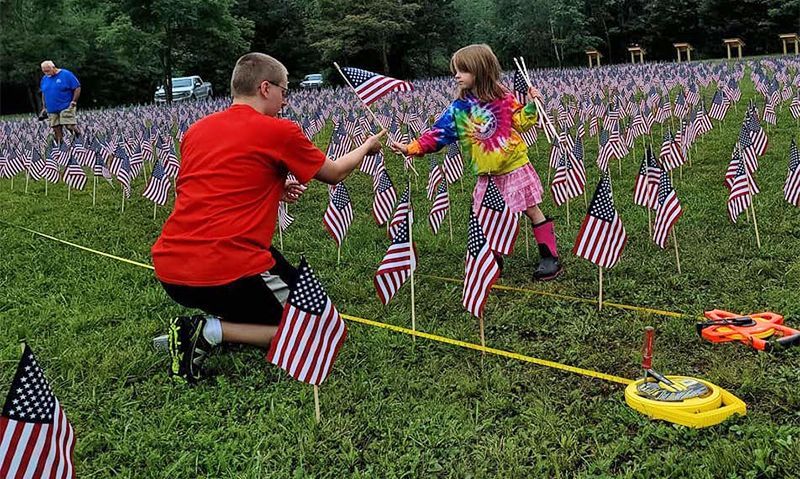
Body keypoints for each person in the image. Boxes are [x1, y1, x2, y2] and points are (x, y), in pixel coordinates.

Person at [151, 52, 385, 384]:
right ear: (265, 88)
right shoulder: (278, 130)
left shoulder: (196, 130)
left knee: (301, 297)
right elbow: (333, 174)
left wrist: (273, 188)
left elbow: (213, 187)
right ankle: (208, 332)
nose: (285, 100)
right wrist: (366, 147)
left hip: (171, 270)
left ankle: (224, 324)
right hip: (227, 267)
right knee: (318, 332)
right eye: (283, 91)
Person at [391, 44, 563, 281]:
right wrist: (412, 147)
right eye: (456, 70)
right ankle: (492, 258)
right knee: (486, 216)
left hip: (513, 166)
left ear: (480, 71)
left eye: (463, 70)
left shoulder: (504, 98)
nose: (456, 75)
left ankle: (549, 256)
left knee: (530, 209)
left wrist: (534, 105)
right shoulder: (459, 109)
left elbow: (521, 121)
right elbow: (438, 134)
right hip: (487, 173)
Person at [39, 60, 81, 144]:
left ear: (53, 67)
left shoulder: (66, 74)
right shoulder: (44, 79)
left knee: (69, 126)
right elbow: (44, 93)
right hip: (51, 108)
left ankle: (79, 137)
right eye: (44, 71)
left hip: (66, 106)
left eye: (48, 71)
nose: (46, 73)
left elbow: (77, 87)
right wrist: (44, 107)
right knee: (56, 128)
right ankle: (61, 147)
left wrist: (74, 101)